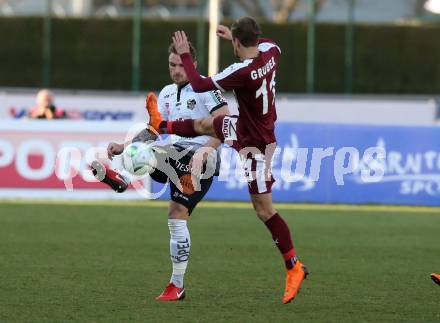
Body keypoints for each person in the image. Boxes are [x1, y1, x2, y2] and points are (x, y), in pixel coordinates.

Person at [145, 17, 308, 304]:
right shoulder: (272, 50)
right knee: (206, 124)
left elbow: (199, 83)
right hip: (246, 125)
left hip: (256, 144)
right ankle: (162, 125)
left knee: (263, 209)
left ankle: (293, 266)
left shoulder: (242, 71)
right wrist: (233, 35)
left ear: (236, 42)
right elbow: (262, 42)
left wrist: (186, 54)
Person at [91, 41, 229, 301]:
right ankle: (176, 286)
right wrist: (124, 146)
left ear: (192, 64)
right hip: (175, 158)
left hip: (201, 162)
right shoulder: (166, 93)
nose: (176, 70)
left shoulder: (206, 89)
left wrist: (208, 149)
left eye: (180, 65)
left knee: (170, 195)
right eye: (171, 65)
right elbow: (154, 130)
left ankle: (122, 179)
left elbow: (226, 122)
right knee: (173, 208)